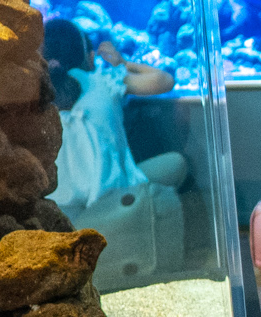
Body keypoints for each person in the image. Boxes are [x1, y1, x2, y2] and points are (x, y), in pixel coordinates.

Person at [43, 17, 186, 214]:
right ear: (90, 57)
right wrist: (123, 63)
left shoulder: (37, 96)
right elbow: (164, 80)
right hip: (112, 204)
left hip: (58, 209)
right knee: (177, 163)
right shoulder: (104, 80)